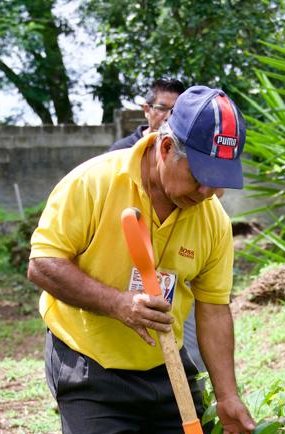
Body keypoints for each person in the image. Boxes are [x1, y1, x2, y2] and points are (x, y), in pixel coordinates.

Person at [28, 86, 256, 434]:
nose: (208, 190)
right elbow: (43, 265)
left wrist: (227, 396)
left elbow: (214, 310)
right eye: (200, 174)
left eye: (219, 179)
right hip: (89, 363)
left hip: (166, 369)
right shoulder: (94, 183)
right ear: (166, 147)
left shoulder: (210, 219)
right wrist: (118, 304)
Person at [109, 78, 204, 371]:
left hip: (175, 275)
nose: (168, 117)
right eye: (163, 108)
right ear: (147, 109)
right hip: (127, 278)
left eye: (177, 111)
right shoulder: (119, 155)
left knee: (191, 355)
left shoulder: (195, 159)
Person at [109, 78, 187, 152]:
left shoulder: (186, 151)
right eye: (161, 108)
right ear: (146, 110)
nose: (169, 117)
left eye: (175, 110)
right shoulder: (122, 151)